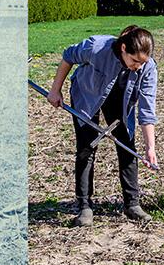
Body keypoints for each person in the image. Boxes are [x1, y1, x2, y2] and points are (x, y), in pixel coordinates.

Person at [47, 25, 158, 227]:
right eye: (134, 61)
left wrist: (151, 147)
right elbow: (67, 57)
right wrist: (55, 91)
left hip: (120, 100)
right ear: (123, 48)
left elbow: (147, 108)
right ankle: (84, 206)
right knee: (86, 148)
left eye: (142, 62)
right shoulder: (96, 47)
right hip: (87, 95)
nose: (138, 67)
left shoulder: (148, 67)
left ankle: (132, 204)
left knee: (127, 147)